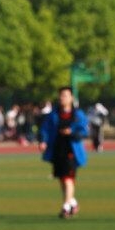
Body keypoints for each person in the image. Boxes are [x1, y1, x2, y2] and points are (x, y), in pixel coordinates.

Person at [39, 87, 88, 218]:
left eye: (65, 95)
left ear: (71, 98)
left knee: (68, 178)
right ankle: (73, 202)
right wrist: (43, 141)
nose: (62, 98)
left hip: (72, 149)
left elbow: (84, 131)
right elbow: (45, 129)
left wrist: (72, 132)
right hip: (57, 149)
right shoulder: (53, 114)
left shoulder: (78, 114)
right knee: (62, 178)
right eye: (61, 95)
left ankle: (66, 207)